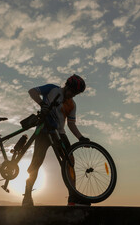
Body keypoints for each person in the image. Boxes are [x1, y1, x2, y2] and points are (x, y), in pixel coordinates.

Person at [23, 74, 90, 207]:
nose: (73, 95)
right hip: (43, 131)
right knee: (36, 164)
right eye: (73, 91)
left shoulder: (72, 104)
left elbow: (71, 124)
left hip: (59, 133)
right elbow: (32, 91)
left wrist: (81, 138)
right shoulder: (52, 89)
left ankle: (73, 198)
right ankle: (27, 197)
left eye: (76, 94)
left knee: (69, 162)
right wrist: (42, 104)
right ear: (67, 86)